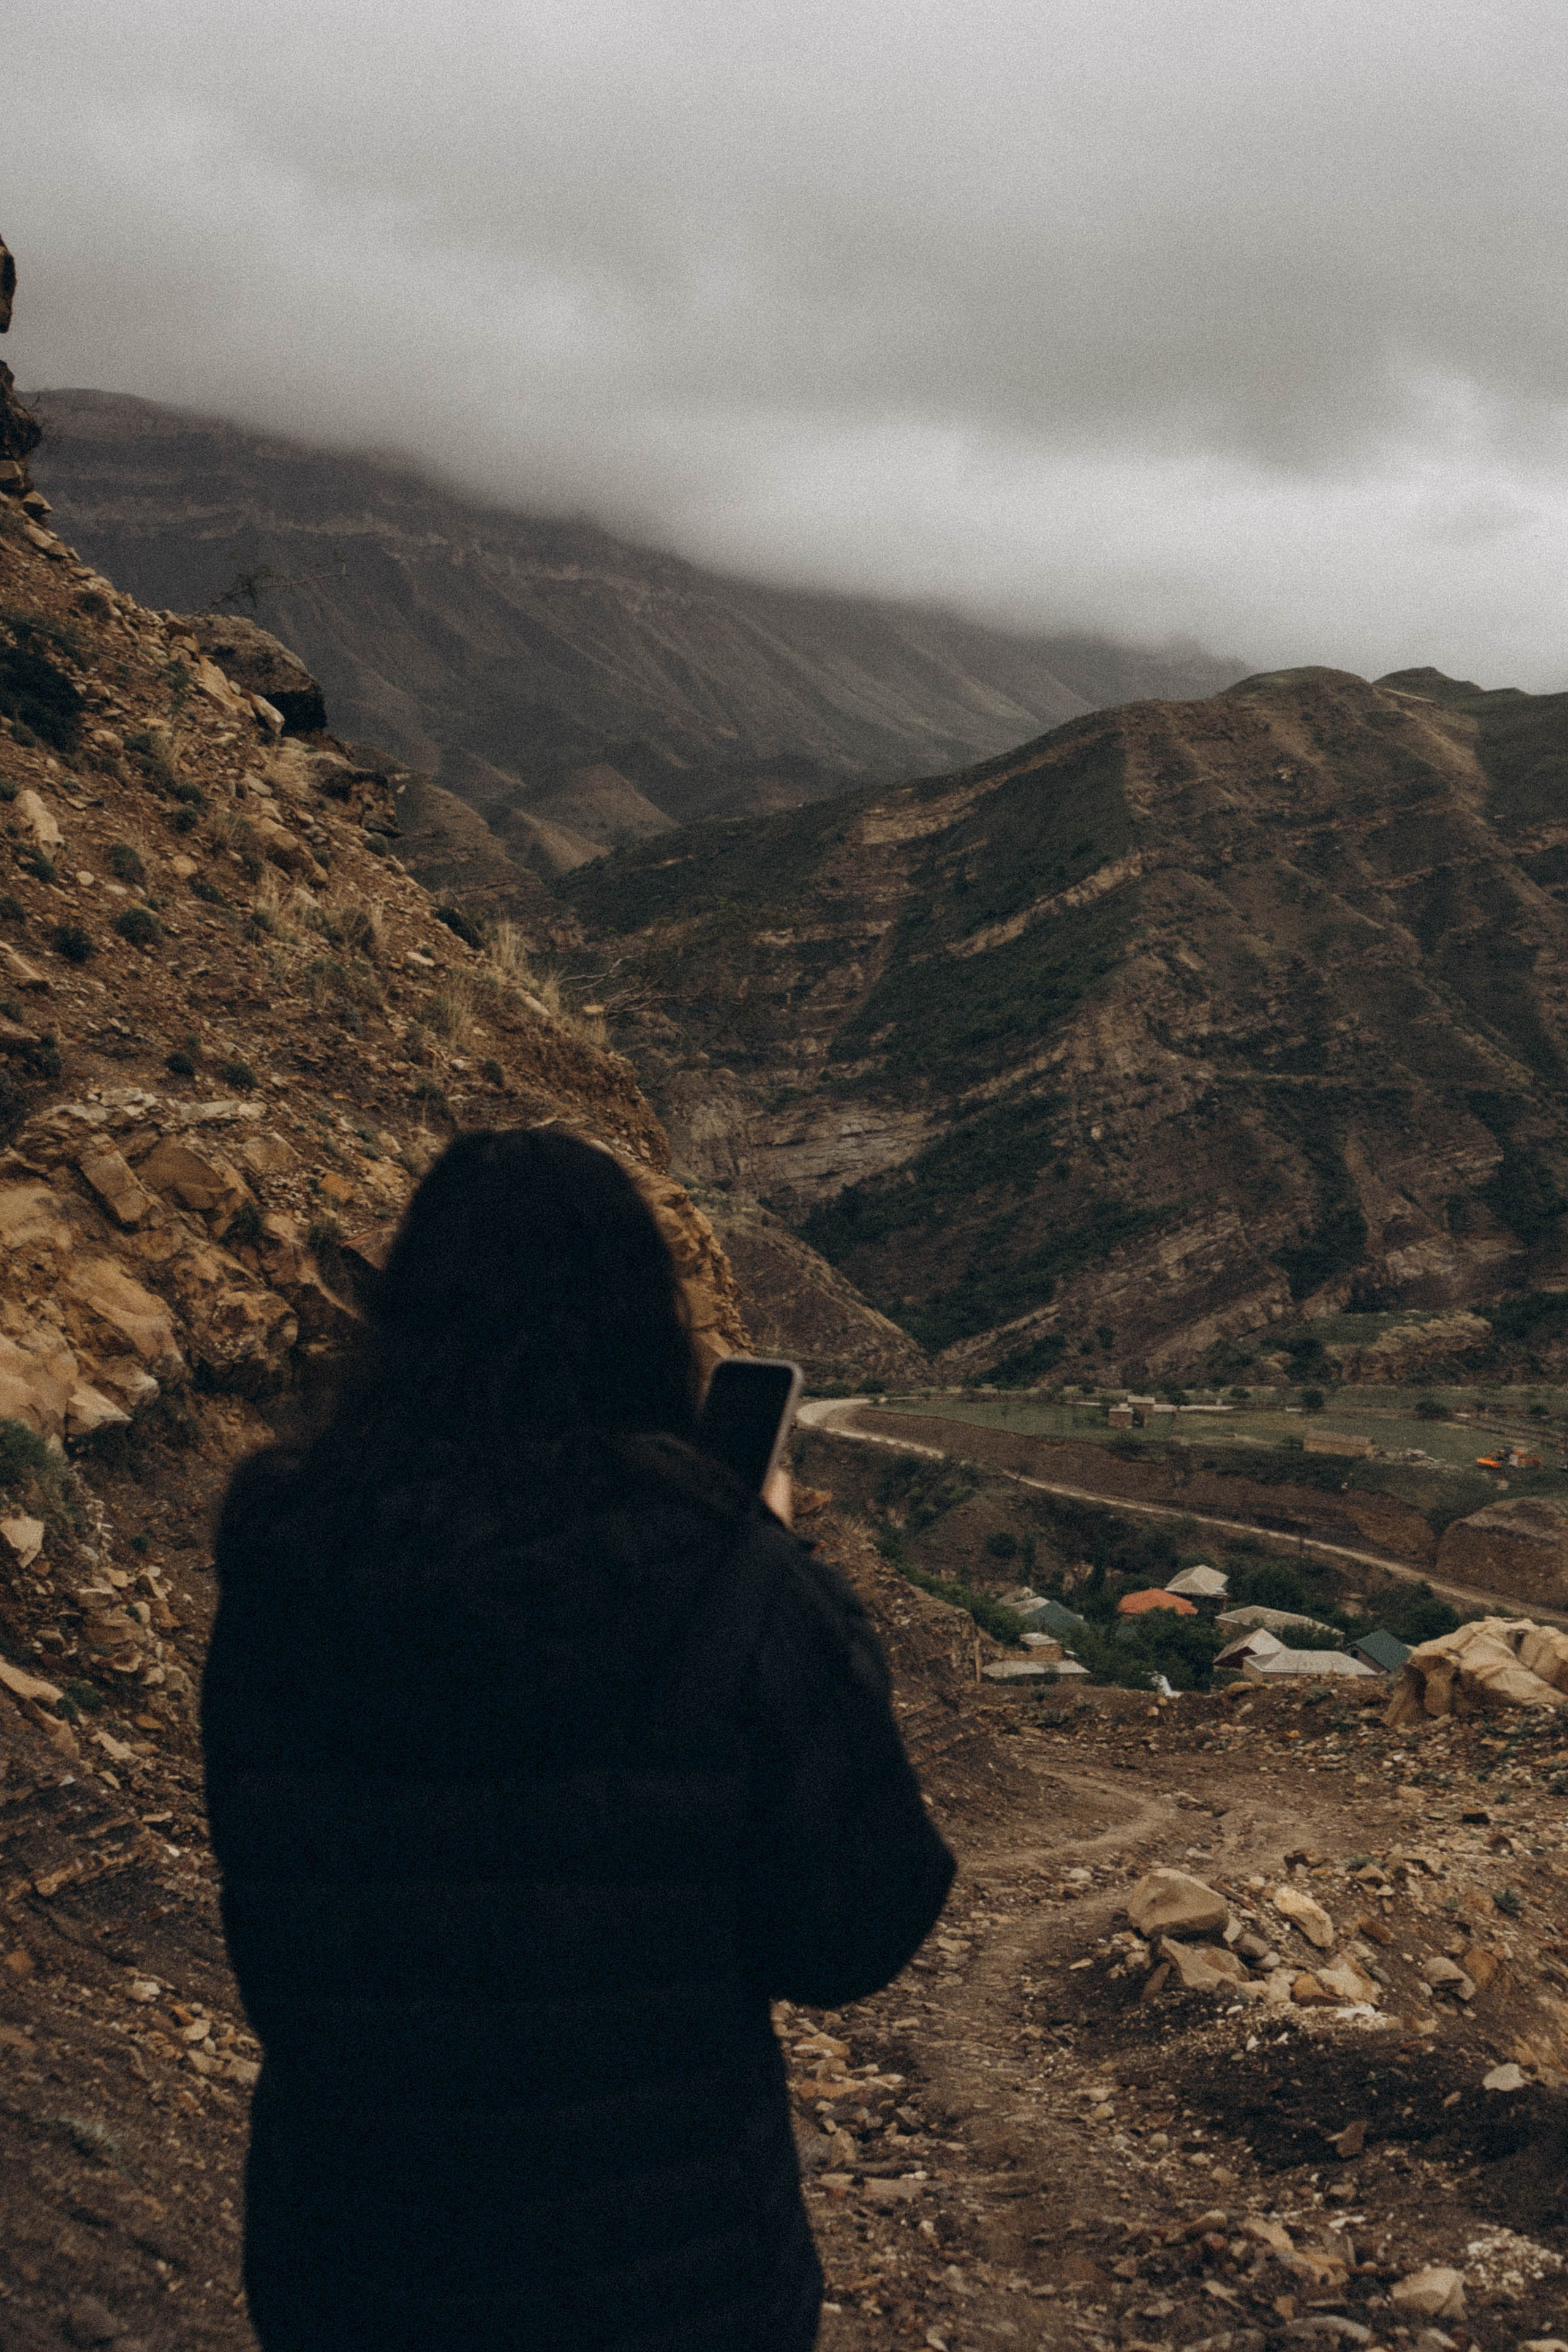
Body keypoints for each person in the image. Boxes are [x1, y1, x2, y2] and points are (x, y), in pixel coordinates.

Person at [202, 1126, 954, 2351]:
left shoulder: (285, 1562)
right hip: (673, 2280)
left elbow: (269, 1883)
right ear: (640, 1323)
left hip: (355, 2264)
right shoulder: (723, 1576)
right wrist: (767, 1560)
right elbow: (855, 1930)